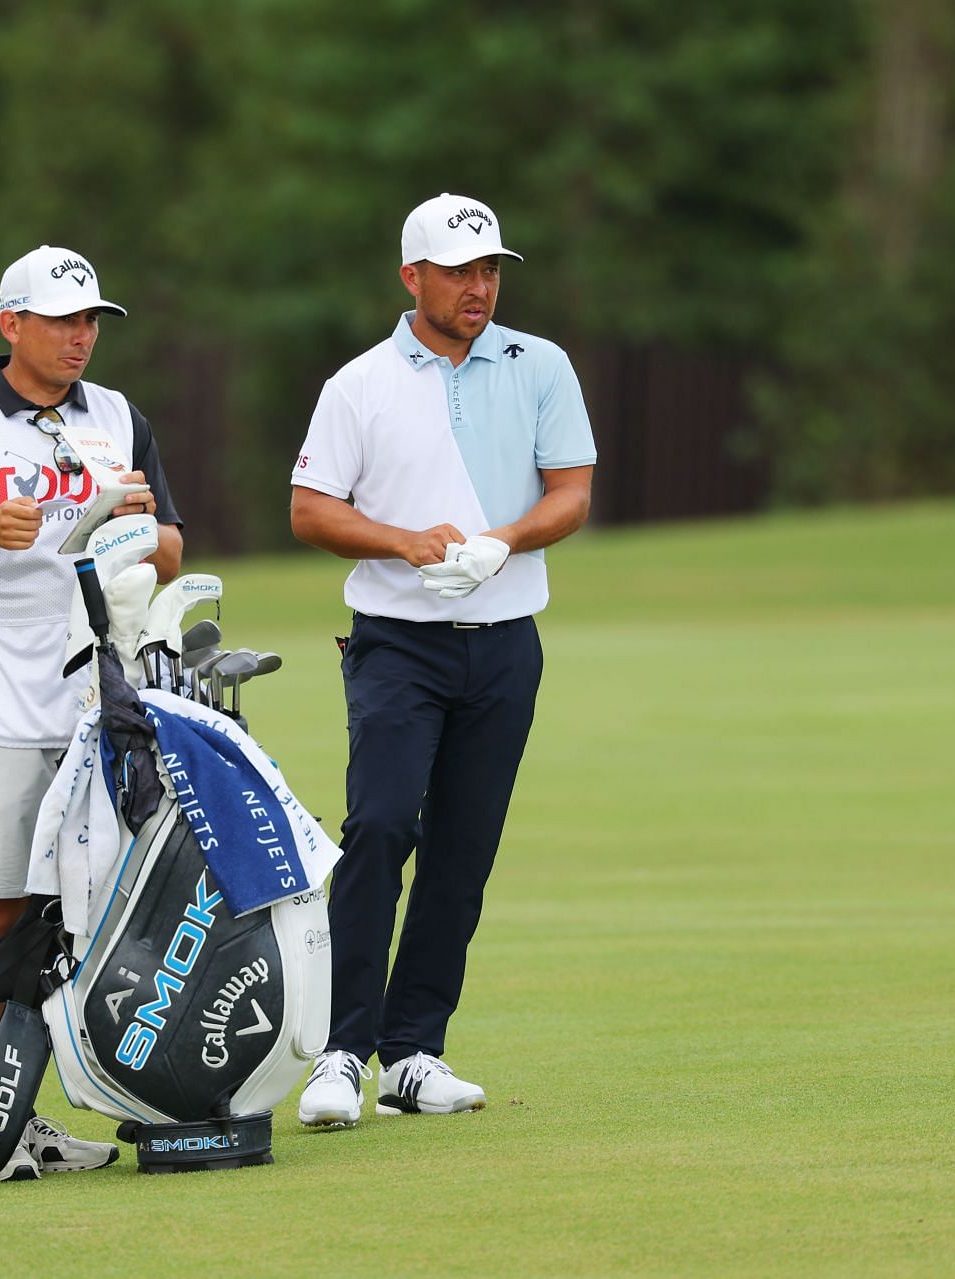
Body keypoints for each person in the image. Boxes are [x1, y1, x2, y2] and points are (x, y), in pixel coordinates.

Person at [289, 194, 597, 1126]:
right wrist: (402, 541)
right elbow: (310, 510)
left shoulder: (540, 364)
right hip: (397, 647)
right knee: (382, 828)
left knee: (464, 850)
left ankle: (413, 1051)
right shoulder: (362, 383)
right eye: (460, 272)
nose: (480, 287)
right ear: (411, 277)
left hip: (506, 646)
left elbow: (572, 492)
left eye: (490, 270)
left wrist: (503, 541)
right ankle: (341, 1051)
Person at [0, 245, 183, 1182]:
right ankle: (0, 1128)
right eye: (61, 321)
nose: (81, 337)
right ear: (12, 324)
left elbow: (170, 549)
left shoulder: (120, 419)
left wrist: (136, 528)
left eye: (92, 320)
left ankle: (103, 1099)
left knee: (111, 910)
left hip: (103, 692)